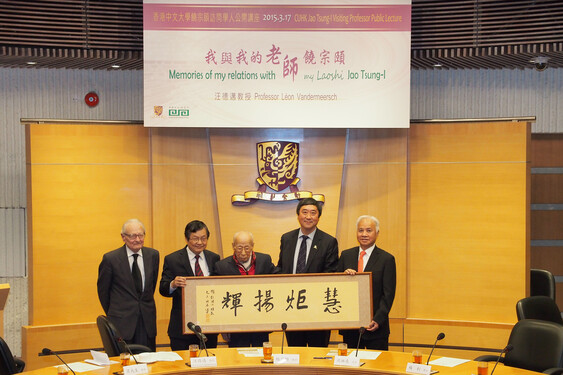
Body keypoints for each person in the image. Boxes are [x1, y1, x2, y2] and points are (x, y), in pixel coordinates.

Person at [277, 197, 338, 347]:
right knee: (295, 352)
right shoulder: (287, 238)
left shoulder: (328, 242)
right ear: (298, 215)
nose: (308, 217)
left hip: (318, 310)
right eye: (304, 212)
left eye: (313, 213)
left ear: (318, 217)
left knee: (318, 354)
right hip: (291, 307)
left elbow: (330, 274)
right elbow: (281, 268)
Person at [97, 219, 160, 351]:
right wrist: (117, 312)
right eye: (132, 236)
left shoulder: (153, 255)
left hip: (147, 322)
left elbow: (151, 286)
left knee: (149, 365)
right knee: (125, 366)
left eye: (141, 235)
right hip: (122, 323)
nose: (137, 239)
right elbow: (103, 292)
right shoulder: (111, 259)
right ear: (123, 237)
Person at [337, 215, 396, 350]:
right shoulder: (346, 255)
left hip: (376, 329)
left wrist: (378, 320)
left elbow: (388, 294)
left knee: (376, 367)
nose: (364, 234)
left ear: (377, 233)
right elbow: (337, 288)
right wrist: (343, 277)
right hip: (350, 327)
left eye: (369, 230)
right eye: (360, 230)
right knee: (349, 367)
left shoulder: (387, 259)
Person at [159, 220, 220, 350]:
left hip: (208, 327)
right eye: (195, 238)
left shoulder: (214, 258)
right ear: (187, 239)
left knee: (208, 365)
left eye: (203, 238)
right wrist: (173, 284)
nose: (200, 242)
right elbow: (163, 289)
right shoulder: (172, 259)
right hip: (181, 328)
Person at [214, 231, 279, 347]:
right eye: (239, 248)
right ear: (233, 246)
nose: (243, 252)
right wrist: (223, 327)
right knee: (238, 359)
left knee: (261, 357)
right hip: (236, 325)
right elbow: (218, 299)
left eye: (247, 248)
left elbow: (277, 283)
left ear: (253, 246)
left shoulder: (265, 260)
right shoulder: (221, 266)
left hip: (260, 323)